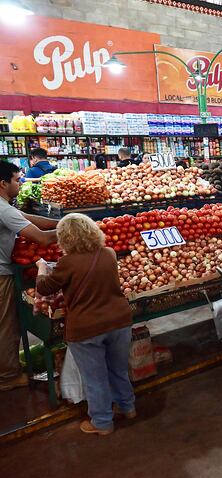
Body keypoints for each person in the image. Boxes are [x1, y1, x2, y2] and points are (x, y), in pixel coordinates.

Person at [35, 214, 134, 435]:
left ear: (65, 238)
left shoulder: (67, 263)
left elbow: (45, 288)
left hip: (87, 328)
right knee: (118, 369)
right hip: (119, 321)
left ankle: (102, 422)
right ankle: (128, 408)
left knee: (95, 378)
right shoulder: (109, 254)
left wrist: (42, 268)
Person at [0, 161, 58, 392]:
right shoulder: (3, 209)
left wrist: (66, 221)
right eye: (17, 180)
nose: (21, 183)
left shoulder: (6, 207)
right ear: (3, 184)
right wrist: (75, 230)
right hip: (1, 274)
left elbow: (33, 220)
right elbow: (42, 238)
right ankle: (7, 377)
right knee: (6, 325)